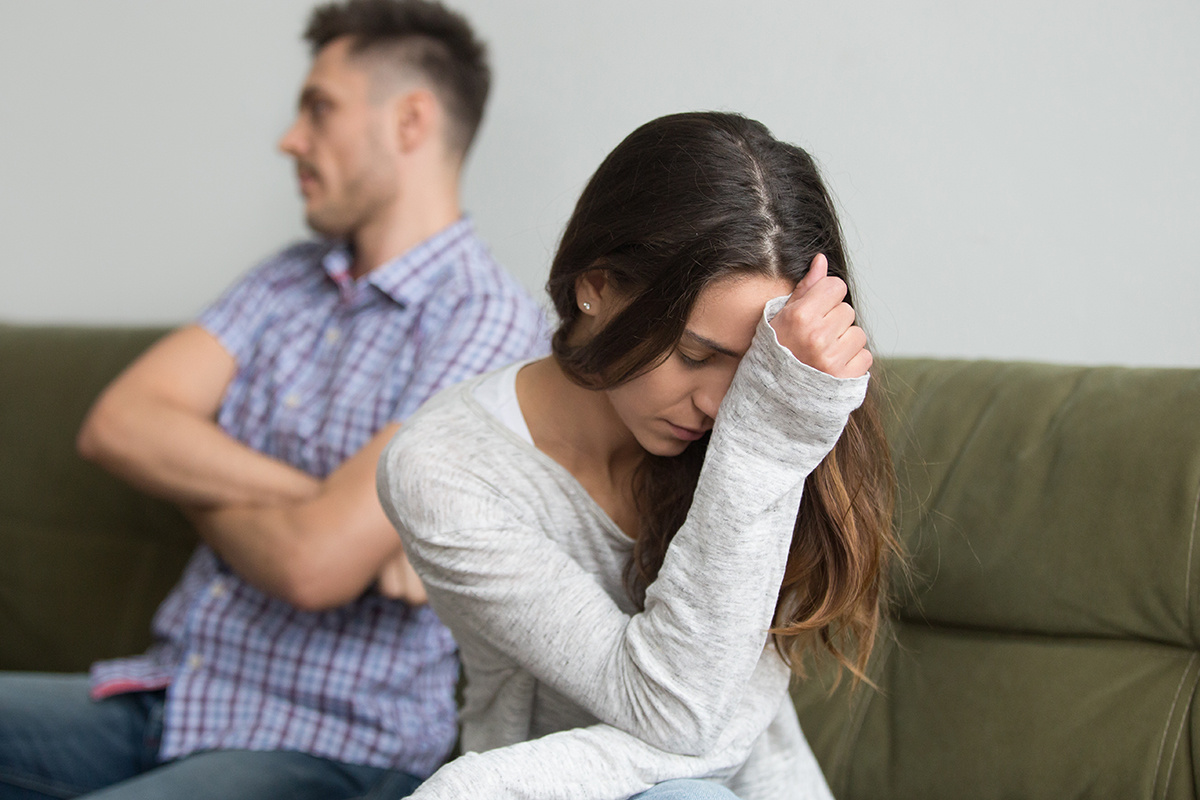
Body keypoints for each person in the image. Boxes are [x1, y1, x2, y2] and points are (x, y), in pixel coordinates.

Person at [0, 2, 547, 799]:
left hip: (330, 744)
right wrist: (324, 501)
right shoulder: (286, 278)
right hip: (170, 694)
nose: (290, 139)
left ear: (410, 121)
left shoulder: (487, 320)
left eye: (319, 108)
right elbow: (119, 425)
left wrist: (191, 467)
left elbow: (312, 566)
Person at [377, 111, 899, 800]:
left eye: (755, 374)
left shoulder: (769, 426)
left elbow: (714, 727)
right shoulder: (444, 469)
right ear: (595, 287)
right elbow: (677, 714)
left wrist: (475, 787)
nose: (722, 406)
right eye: (695, 356)